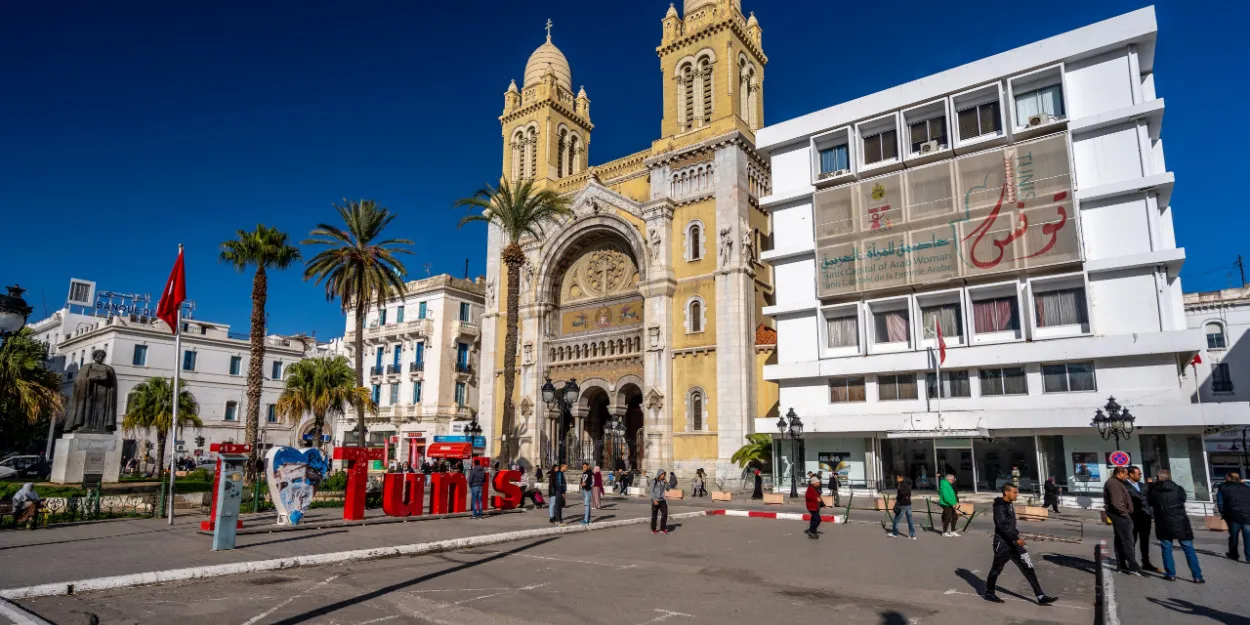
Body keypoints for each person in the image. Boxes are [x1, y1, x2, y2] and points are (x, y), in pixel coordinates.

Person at [983, 483, 1058, 605]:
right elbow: (1002, 525)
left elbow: (1010, 524)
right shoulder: (999, 506)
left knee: (1028, 568)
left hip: (1014, 544)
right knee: (996, 569)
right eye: (1014, 492)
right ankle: (989, 592)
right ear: (1006, 492)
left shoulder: (1009, 504)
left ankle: (1040, 596)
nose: (1016, 494)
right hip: (1003, 544)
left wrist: (1016, 535)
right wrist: (1015, 537)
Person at [1147, 469, 1204, 583]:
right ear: (1169, 477)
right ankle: (1197, 576)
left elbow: (1150, 501)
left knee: (1166, 549)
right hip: (1180, 522)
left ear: (1158, 478)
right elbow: (1183, 499)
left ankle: (1171, 574)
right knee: (1189, 549)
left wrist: (1150, 485)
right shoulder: (1178, 488)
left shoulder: (1154, 490)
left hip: (1163, 522)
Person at [1104, 466, 1141, 574]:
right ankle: (1133, 566)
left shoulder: (1116, 483)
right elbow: (1117, 502)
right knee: (1127, 540)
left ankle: (1122, 565)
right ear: (1119, 474)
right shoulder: (1113, 483)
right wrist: (1124, 513)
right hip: (1119, 516)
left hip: (1119, 515)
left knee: (1121, 540)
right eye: (1125, 474)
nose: (1127, 477)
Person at [1126, 466, 1159, 572]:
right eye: (1138, 474)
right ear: (1131, 474)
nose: (1140, 475)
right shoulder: (1124, 486)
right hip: (1132, 517)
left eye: (1140, 473)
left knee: (1145, 540)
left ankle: (1146, 562)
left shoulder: (1143, 486)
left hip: (1145, 516)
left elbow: (1149, 499)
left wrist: (1150, 512)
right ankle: (1131, 562)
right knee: (1132, 540)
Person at [1215, 472, 1250, 561]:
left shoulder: (1223, 487)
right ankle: (1249, 557)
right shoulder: (1246, 487)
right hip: (1247, 515)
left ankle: (1234, 554)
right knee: (1248, 536)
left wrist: (1223, 513)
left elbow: (1220, 502)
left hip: (1232, 515)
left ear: (1229, 478)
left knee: (1234, 536)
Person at [890, 474, 915, 540]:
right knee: (910, 520)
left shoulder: (903, 485)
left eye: (897, 478)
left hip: (903, 505)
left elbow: (904, 494)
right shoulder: (906, 484)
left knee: (896, 520)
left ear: (901, 478)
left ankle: (895, 533)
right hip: (908, 504)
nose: (896, 479)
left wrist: (898, 498)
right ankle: (913, 535)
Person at [651, 470, 669, 534]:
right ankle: (653, 529)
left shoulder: (663, 481)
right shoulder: (654, 481)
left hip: (662, 500)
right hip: (655, 500)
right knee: (654, 516)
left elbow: (668, 489)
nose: (663, 476)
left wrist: (667, 483)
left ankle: (662, 529)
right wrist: (654, 499)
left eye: (664, 474)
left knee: (665, 514)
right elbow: (651, 491)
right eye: (662, 474)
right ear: (659, 474)